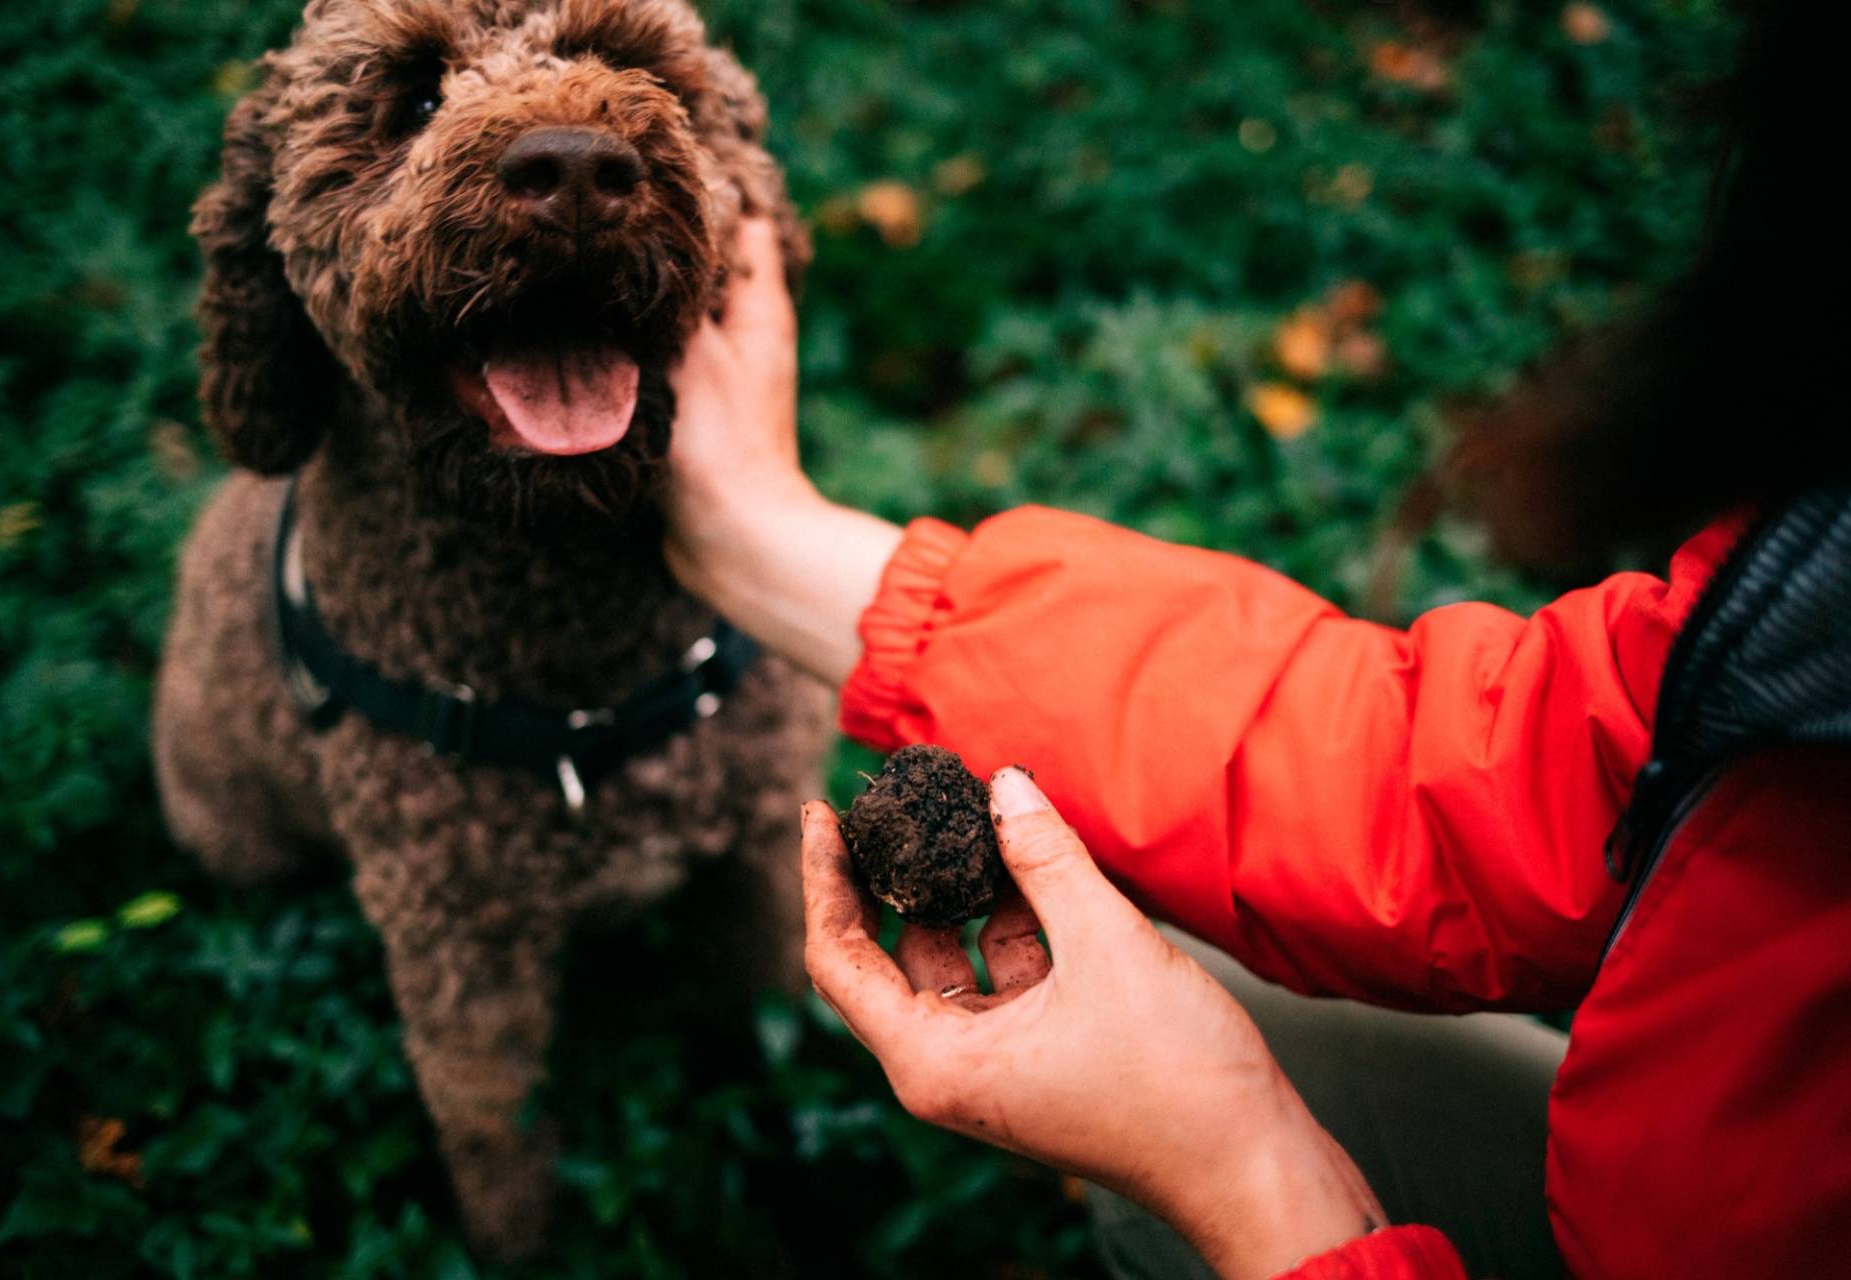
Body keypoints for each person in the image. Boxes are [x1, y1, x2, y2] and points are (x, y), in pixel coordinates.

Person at [656, 5, 1850, 1274]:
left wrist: (1250, 1178)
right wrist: (774, 539)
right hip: (1653, 1195)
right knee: (1220, 998)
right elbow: (1485, 779)